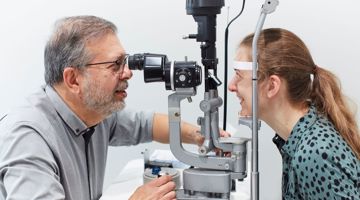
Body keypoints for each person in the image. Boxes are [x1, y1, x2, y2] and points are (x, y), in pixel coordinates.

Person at [0, 15, 204, 200]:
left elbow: (146, 124)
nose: (127, 73)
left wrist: (202, 136)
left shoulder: (93, 112)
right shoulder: (27, 138)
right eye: (115, 64)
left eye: (124, 62)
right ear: (73, 79)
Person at [228, 28, 360, 199]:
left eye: (239, 75)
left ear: (272, 86)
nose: (231, 86)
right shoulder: (299, 140)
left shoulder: (314, 152)